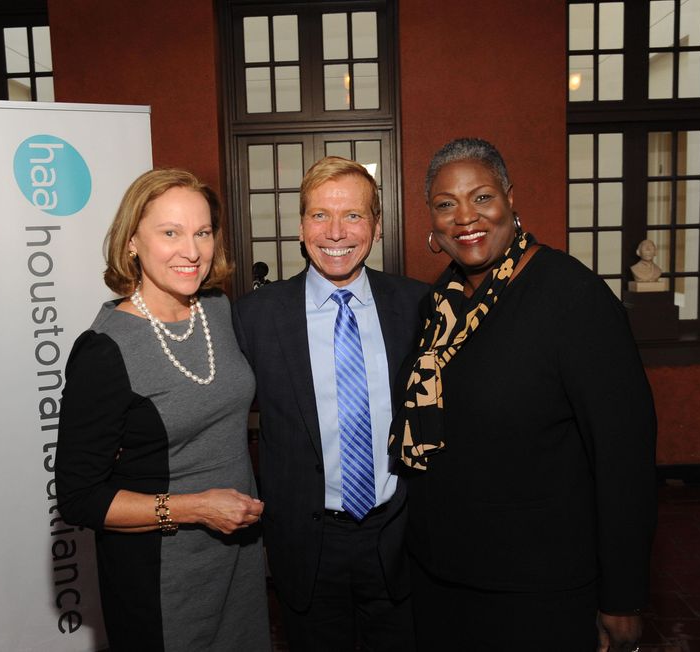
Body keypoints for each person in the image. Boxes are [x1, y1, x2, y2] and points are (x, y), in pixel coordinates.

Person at [390, 138, 656, 651]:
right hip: (441, 576)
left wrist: (623, 596)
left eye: (481, 197)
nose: (465, 217)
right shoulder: (439, 305)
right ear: (432, 220)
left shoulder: (573, 298)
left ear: (510, 200)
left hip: (536, 585)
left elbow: (624, 457)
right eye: (446, 204)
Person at [55, 169, 270, 651]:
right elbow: (79, 498)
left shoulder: (216, 309)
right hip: (161, 574)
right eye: (170, 232)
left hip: (236, 556)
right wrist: (197, 508)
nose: (191, 251)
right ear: (132, 241)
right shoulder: (105, 350)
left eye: (202, 232)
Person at [232, 157, 428, 650]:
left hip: (400, 536)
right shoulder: (254, 317)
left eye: (353, 215)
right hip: (307, 545)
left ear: (377, 227)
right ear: (301, 228)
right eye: (320, 215)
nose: (336, 232)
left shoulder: (419, 307)